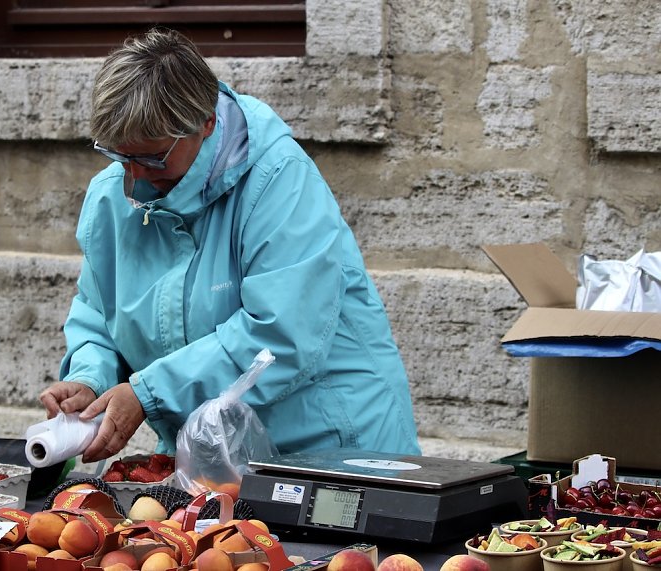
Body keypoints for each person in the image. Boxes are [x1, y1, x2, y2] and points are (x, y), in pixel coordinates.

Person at [39, 27, 420, 463]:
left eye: (152, 158)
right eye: (121, 157)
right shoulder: (113, 195)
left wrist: (150, 393)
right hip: (217, 457)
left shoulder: (280, 180)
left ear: (206, 123)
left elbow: (279, 335)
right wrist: (91, 380)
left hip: (334, 450)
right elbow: (96, 316)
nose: (135, 178)